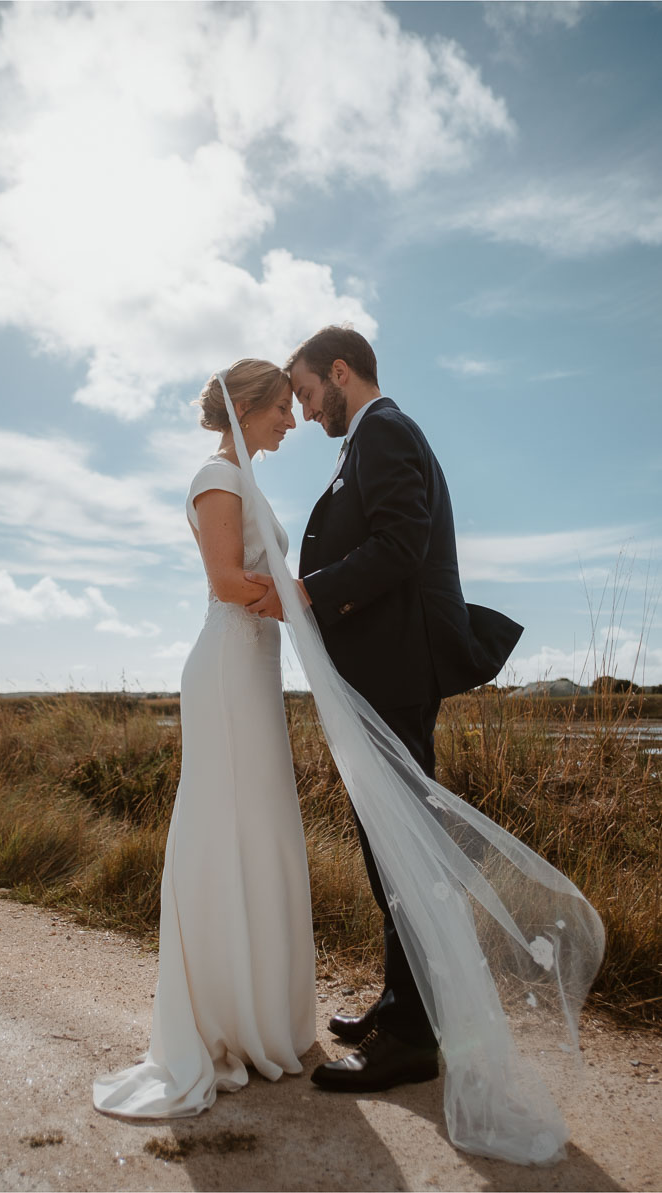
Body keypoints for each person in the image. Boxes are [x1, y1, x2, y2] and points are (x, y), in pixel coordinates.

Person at [250, 325, 522, 1092]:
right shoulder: (367, 441)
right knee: (389, 846)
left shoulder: (387, 432)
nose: (303, 410)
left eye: (306, 391)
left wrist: (308, 588)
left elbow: (402, 546)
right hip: (383, 669)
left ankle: (411, 1036)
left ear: (342, 371)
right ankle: (405, 1001)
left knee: (404, 850)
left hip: (399, 670)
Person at [93, 358, 316, 1119]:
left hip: (254, 669)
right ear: (247, 405)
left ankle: (265, 1012)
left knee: (265, 831)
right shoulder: (216, 479)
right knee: (229, 830)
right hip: (226, 671)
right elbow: (227, 581)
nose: (292, 419)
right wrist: (307, 598)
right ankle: (223, 1018)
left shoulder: (246, 479)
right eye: (283, 406)